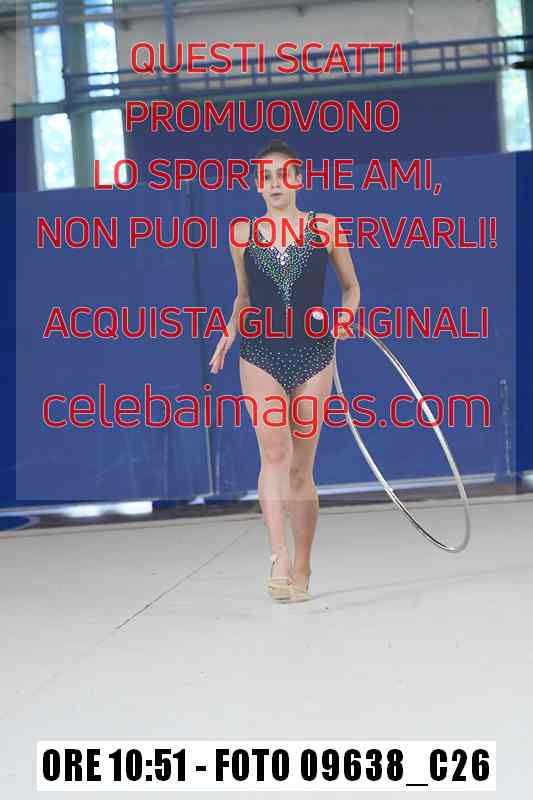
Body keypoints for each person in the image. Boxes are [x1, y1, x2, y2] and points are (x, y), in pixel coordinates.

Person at [209, 139, 360, 602]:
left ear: (299, 179)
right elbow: (245, 297)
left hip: (314, 353)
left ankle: (303, 562)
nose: (275, 183)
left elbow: (351, 288)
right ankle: (278, 557)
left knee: (300, 468)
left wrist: (345, 316)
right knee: (274, 453)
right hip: (260, 353)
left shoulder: (325, 227)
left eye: (283, 174)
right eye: (266, 177)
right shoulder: (242, 234)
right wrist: (229, 330)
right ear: (258, 185)